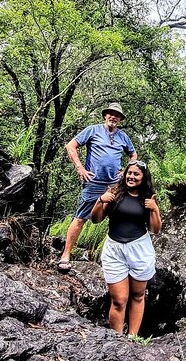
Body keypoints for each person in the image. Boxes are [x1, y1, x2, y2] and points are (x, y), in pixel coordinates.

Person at [57, 102, 137, 274]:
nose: (113, 117)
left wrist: (128, 171)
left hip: (115, 185)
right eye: (110, 113)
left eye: (117, 115)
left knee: (119, 219)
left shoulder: (123, 136)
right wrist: (80, 168)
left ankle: (117, 260)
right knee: (80, 218)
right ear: (105, 116)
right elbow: (70, 146)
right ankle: (65, 255)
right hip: (93, 182)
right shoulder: (93, 130)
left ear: (120, 119)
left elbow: (133, 154)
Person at [91, 160, 161, 336]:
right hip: (114, 250)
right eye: (129, 173)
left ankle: (133, 338)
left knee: (138, 296)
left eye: (136, 174)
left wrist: (155, 210)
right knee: (119, 300)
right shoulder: (115, 193)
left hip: (139, 250)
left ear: (143, 177)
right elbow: (96, 219)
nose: (132, 176)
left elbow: (155, 229)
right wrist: (100, 200)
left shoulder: (148, 197)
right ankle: (116, 339)